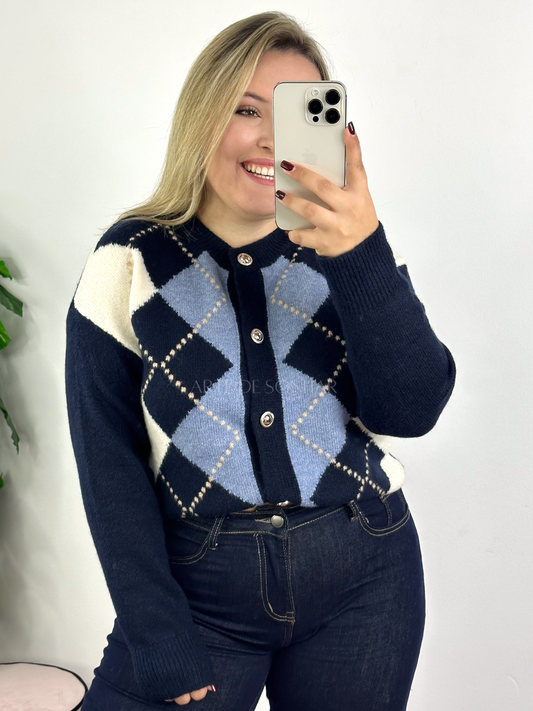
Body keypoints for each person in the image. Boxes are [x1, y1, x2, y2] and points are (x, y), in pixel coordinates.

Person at [65, 11, 456, 710]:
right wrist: (156, 635)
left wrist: (360, 252)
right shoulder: (130, 259)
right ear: (202, 117)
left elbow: (412, 409)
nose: (272, 138)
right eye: (247, 110)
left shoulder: (347, 249)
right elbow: (107, 463)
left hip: (366, 575)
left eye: (296, 115)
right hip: (200, 592)